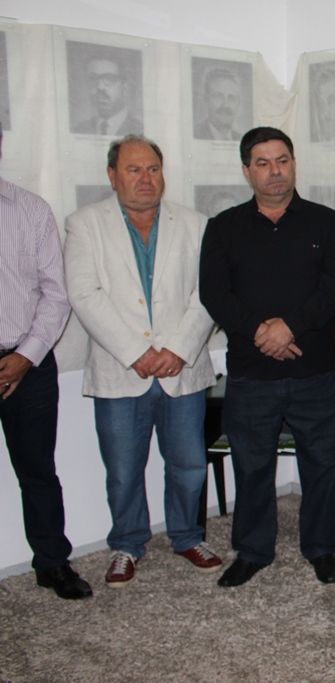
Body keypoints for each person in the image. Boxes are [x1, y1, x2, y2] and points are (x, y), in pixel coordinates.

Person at [64, 134, 221, 587]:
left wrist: (177, 349)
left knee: (188, 463)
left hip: (181, 369)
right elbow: (84, 295)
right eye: (134, 170)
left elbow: (207, 293)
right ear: (112, 176)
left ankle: (187, 536)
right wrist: (137, 352)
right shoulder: (84, 224)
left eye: (153, 169)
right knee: (123, 469)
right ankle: (127, 544)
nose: (146, 178)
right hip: (120, 370)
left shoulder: (195, 224)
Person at [199, 127, 335, 587]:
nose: (275, 171)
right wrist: (260, 332)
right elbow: (215, 294)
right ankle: (252, 550)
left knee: (321, 463)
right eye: (263, 163)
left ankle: (321, 546)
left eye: (282, 160)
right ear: (247, 171)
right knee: (252, 465)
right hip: (251, 373)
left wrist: (289, 327)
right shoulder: (223, 227)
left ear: (294, 163)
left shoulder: (326, 222)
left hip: (314, 370)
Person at [0, 125, 92, 600]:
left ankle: (52, 563)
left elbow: (56, 295)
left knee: (38, 471)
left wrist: (24, 357)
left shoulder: (31, 210)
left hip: (27, 363)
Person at [72, 55, 143, 136]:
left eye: (109, 78)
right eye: (93, 79)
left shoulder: (140, 131)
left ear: (124, 87)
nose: (99, 87)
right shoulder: (79, 130)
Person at [194, 67, 244, 141]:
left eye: (231, 98)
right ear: (206, 100)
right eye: (218, 96)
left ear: (238, 103)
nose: (225, 105)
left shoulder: (243, 139)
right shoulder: (195, 134)